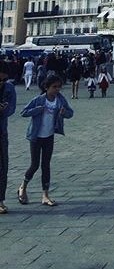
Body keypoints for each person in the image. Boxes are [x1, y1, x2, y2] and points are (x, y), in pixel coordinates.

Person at [18, 72, 73, 207]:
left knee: (46, 165)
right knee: (35, 164)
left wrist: (64, 113)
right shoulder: (39, 100)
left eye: (59, 87)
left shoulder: (60, 100)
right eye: (54, 87)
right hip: (36, 137)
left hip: (49, 136)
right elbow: (24, 112)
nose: (57, 90)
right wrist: (38, 110)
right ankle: (23, 187)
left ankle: (45, 195)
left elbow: (70, 113)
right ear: (47, 87)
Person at [0, 61, 17, 214]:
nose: (1, 82)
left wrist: (3, 110)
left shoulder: (9, 88)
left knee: (2, 166)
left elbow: (11, 108)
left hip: (1, 132)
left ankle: (0, 200)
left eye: (3, 80)